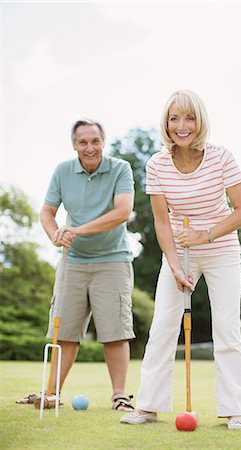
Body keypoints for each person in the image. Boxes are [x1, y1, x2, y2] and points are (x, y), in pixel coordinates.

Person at [120, 90, 241, 430]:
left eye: (189, 118)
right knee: (164, 324)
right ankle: (148, 405)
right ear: (166, 123)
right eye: (174, 118)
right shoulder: (156, 164)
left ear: (200, 121)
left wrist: (205, 235)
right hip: (180, 251)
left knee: (227, 328)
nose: (182, 126)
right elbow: (162, 222)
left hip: (221, 249)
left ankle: (234, 410)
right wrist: (176, 265)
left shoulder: (221, 158)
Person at [17, 119, 135, 412]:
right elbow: (46, 211)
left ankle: (119, 395)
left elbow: (123, 212)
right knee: (65, 331)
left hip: (112, 259)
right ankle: (52, 393)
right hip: (73, 261)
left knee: (115, 331)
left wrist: (77, 230)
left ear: (103, 142)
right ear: (74, 145)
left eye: (95, 141)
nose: (89, 147)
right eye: (83, 142)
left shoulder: (120, 169)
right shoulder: (63, 171)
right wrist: (54, 233)